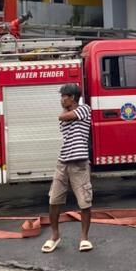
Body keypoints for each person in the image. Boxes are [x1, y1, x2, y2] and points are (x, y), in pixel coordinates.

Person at [42, 83, 93, 254]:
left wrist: (65, 111)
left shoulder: (85, 109)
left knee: (84, 202)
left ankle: (84, 238)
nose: (61, 99)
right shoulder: (68, 113)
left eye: (64, 96)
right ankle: (55, 236)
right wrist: (65, 109)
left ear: (72, 97)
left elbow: (63, 117)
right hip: (63, 162)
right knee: (54, 200)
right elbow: (64, 117)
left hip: (79, 163)